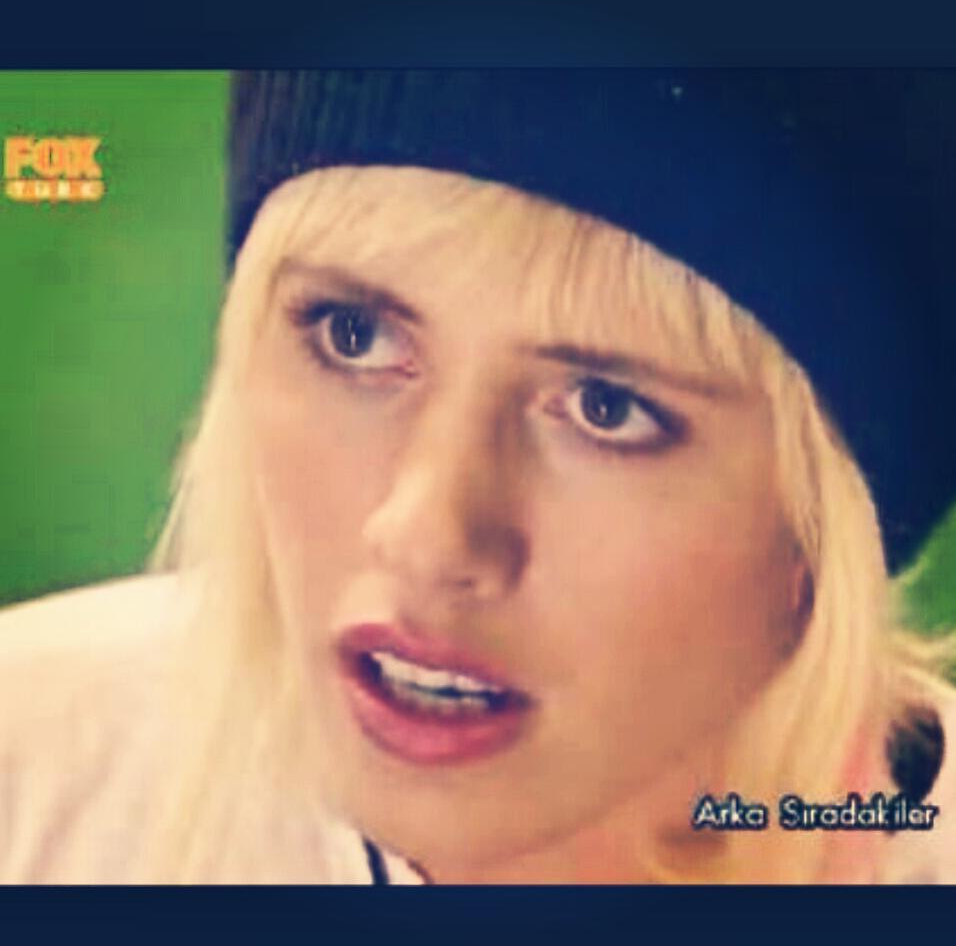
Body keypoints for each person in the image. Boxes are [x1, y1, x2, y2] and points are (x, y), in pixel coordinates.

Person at [1, 69, 955, 884]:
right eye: (353, 335)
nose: (425, 534)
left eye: (606, 407)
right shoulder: (33, 772)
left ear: (825, 525)